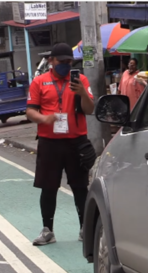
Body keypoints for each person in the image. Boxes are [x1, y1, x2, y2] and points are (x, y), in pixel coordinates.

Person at [26, 43, 96, 246]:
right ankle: (48, 230)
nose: (66, 65)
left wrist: (83, 92)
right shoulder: (40, 82)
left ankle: (85, 229)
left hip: (77, 142)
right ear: (51, 61)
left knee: (80, 187)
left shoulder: (80, 80)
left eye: (69, 62)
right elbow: (30, 111)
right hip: (50, 143)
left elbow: (89, 109)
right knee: (48, 187)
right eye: (62, 62)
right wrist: (44, 119)